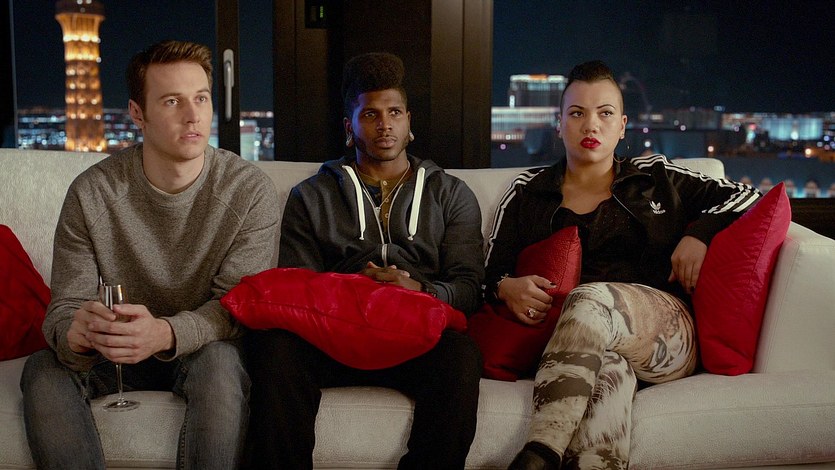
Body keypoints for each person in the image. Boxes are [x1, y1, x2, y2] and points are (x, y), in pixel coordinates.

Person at [483, 61, 760, 470]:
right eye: (577, 113)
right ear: (559, 124)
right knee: (609, 376)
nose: (590, 125)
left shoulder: (655, 177)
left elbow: (747, 195)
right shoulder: (528, 192)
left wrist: (699, 234)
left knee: (589, 297)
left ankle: (539, 453)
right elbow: (487, 273)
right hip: (578, 345)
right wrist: (506, 286)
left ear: (623, 125)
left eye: (605, 113)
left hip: (665, 333)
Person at [20, 40, 280, 470]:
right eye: (172, 101)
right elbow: (64, 307)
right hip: (114, 353)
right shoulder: (92, 193)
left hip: (202, 348)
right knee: (43, 369)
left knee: (221, 363)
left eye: (201, 98)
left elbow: (237, 307)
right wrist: (77, 334)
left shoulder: (247, 190)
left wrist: (163, 333)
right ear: (137, 114)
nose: (193, 115)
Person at [245, 52, 485, 469]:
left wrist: (420, 289)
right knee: (276, 350)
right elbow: (297, 286)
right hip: (333, 339)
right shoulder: (312, 196)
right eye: (370, 114)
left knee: (461, 356)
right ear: (349, 127)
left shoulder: (450, 194)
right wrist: (354, 289)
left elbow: (468, 288)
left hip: (415, 339)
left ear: (409, 121)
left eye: (394, 113)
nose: (385, 124)